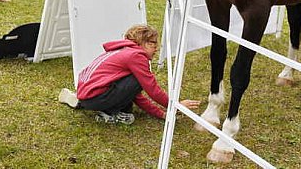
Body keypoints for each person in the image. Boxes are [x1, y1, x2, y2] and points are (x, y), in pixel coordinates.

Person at [58, 25, 200, 124]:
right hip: (95, 96)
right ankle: (109, 114)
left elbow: (134, 94)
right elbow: (152, 89)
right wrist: (175, 106)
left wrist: (161, 114)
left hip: (87, 93)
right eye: (153, 44)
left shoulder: (122, 51)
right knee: (136, 85)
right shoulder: (136, 56)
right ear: (140, 42)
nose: (156, 48)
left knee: (131, 92)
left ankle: (81, 103)